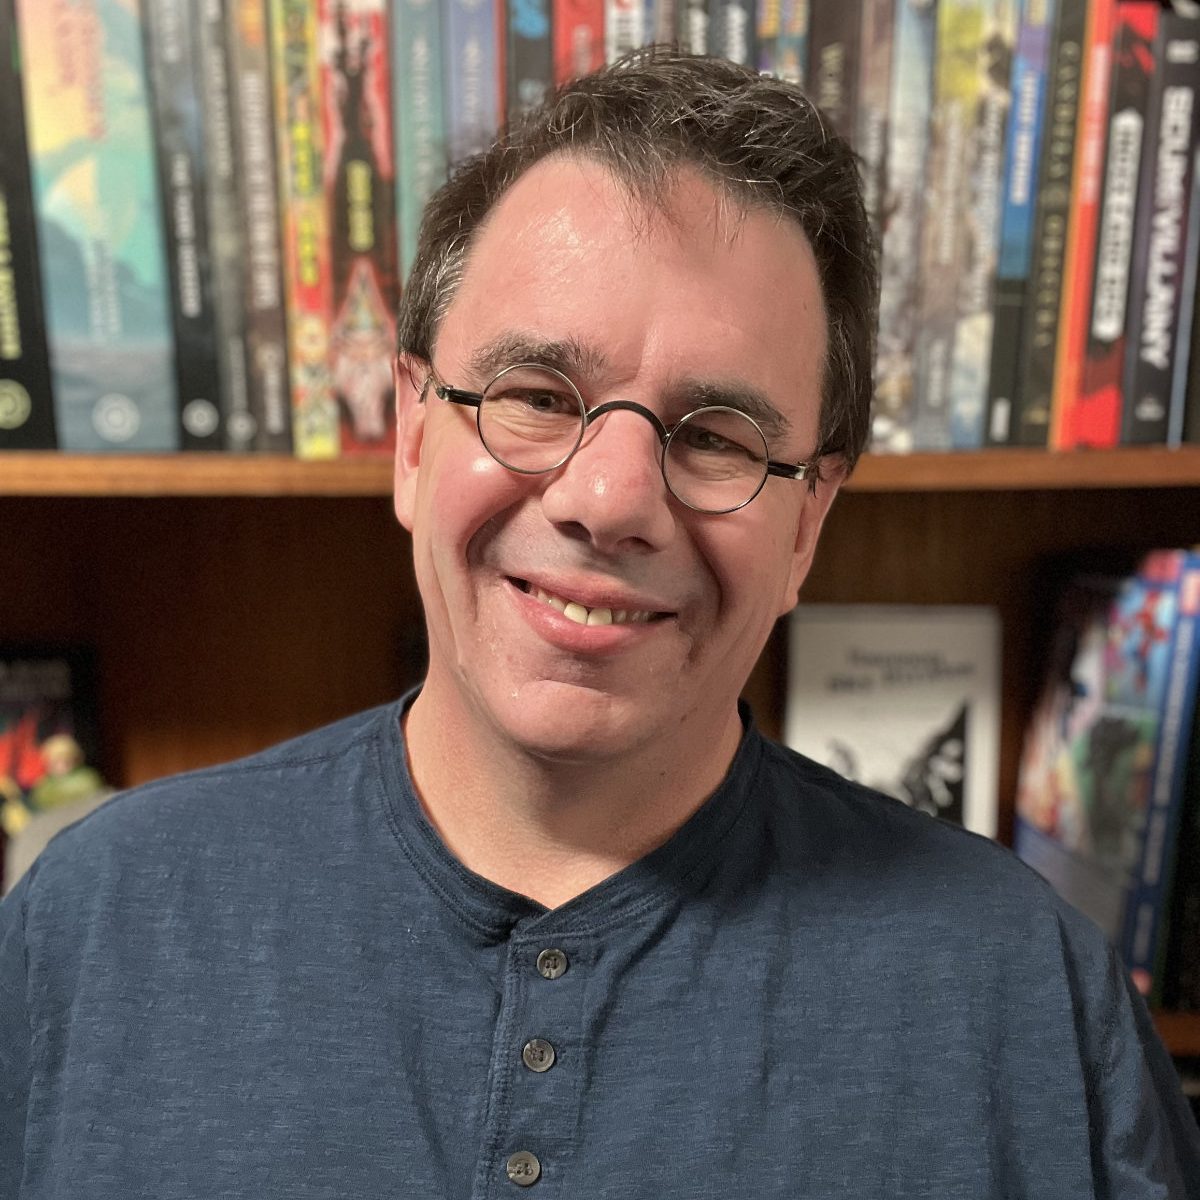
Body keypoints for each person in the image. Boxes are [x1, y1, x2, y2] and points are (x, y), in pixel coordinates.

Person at [2, 48, 1198, 1198]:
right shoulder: (96, 921)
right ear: (413, 436)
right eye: (534, 397)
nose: (610, 499)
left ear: (807, 525)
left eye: (718, 435)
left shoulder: (1037, 1004)